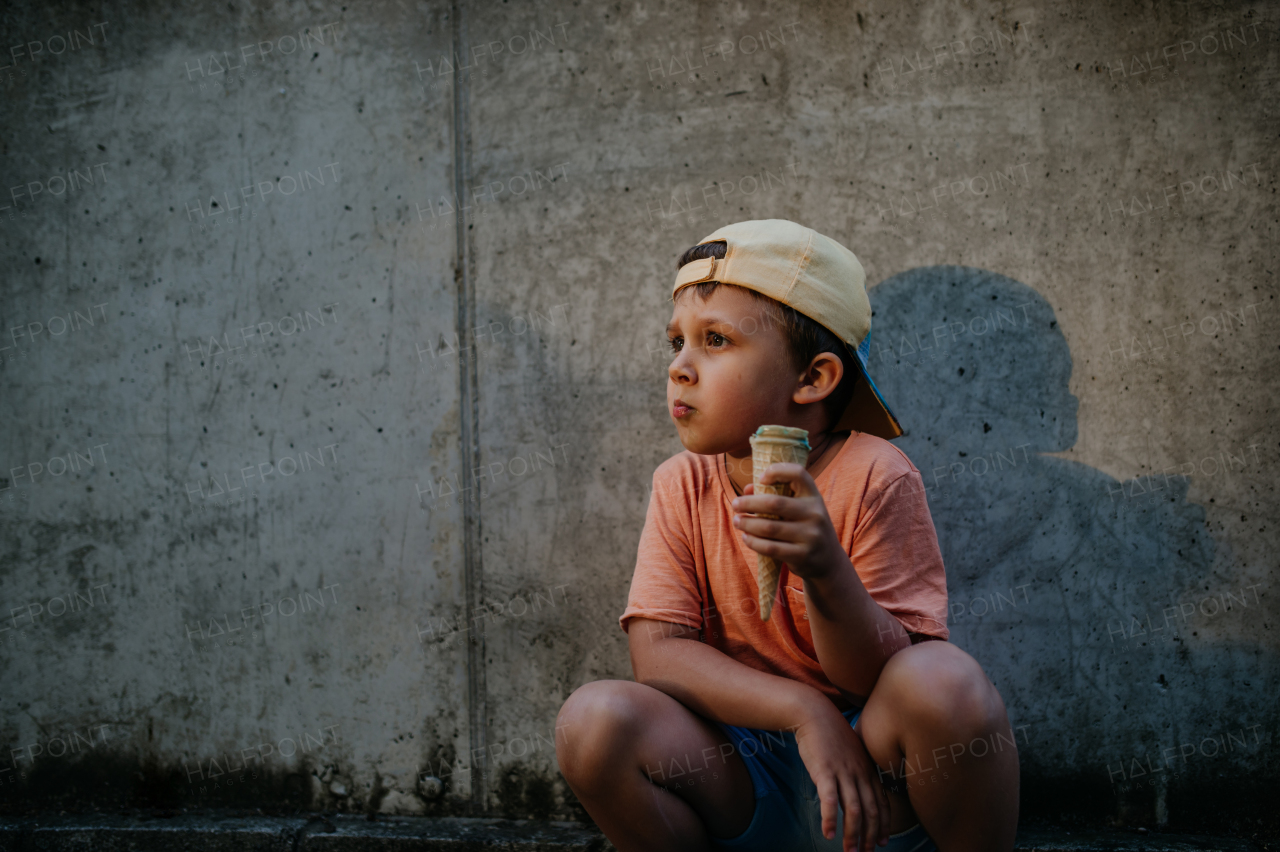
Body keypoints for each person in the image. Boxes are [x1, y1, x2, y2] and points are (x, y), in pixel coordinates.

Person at [555, 220, 1020, 852]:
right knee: (592, 722)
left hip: (868, 778)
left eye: (715, 340)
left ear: (814, 379)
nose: (681, 368)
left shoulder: (874, 474)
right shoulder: (682, 484)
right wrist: (802, 713)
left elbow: (876, 675)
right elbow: (657, 657)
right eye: (676, 343)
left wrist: (827, 572)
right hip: (741, 770)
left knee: (946, 682)